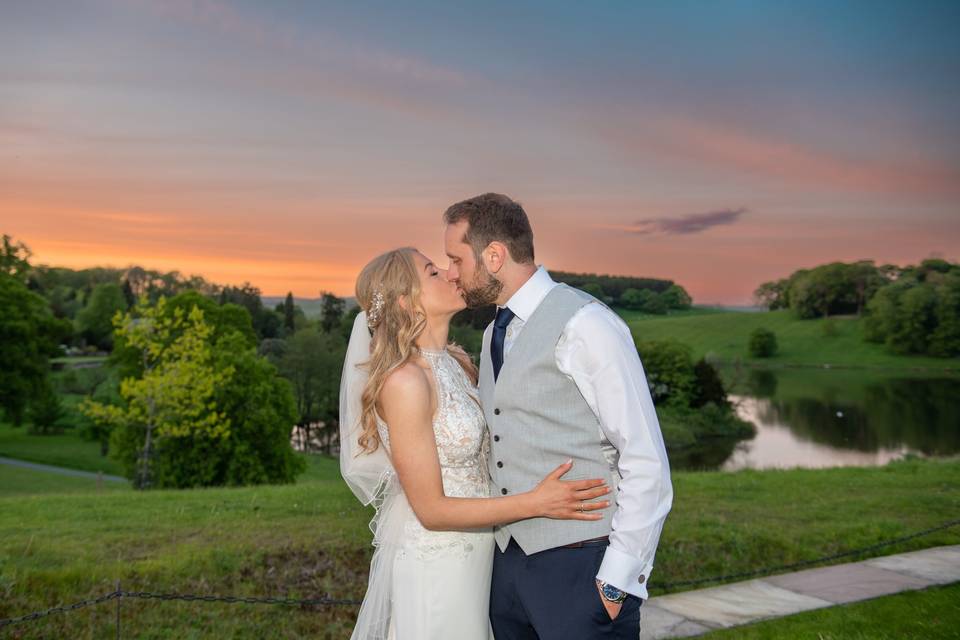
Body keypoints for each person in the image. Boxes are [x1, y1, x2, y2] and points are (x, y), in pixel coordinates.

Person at [339, 247, 612, 639]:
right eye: (433, 272)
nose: (451, 275)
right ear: (406, 300)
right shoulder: (405, 382)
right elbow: (431, 510)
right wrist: (536, 502)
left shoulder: (457, 362)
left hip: (480, 557)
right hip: (437, 560)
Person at [443, 193, 674, 639]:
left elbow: (645, 459)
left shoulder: (587, 325)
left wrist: (615, 583)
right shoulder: (494, 332)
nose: (452, 273)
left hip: (580, 567)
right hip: (507, 570)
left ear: (494, 256)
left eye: (456, 259)